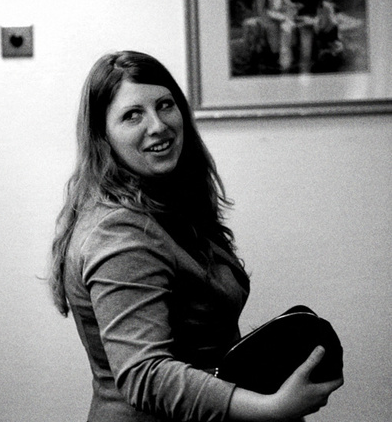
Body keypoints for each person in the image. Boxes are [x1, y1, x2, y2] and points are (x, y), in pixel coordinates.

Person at [49, 51, 343, 421]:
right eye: (132, 115)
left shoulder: (163, 204)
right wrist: (270, 408)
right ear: (102, 136)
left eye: (165, 105)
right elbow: (145, 374)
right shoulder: (119, 233)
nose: (158, 125)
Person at [253, 0, 303, 71]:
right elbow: (261, 9)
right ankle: (277, 56)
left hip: (279, 15)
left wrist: (295, 5)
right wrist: (276, 16)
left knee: (289, 25)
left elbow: (287, 2)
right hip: (266, 15)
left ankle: (287, 58)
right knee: (279, 27)